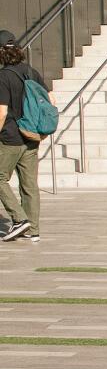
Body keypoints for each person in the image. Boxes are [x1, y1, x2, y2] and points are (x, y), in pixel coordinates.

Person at [0, 30, 51, 243]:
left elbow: (2, 112)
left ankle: (20, 219)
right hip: (31, 136)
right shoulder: (32, 72)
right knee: (29, 185)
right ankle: (33, 230)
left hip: (10, 137)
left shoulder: (3, 76)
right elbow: (50, 100)